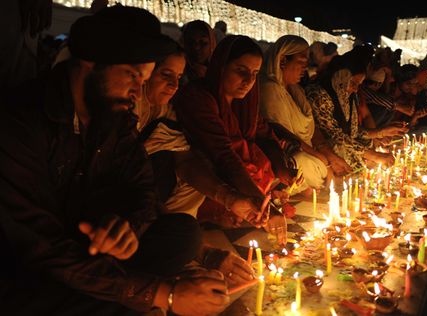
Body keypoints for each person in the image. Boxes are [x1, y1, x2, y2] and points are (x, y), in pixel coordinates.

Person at [0, 6, 229, 315]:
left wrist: (127, 229)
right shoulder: (23, 123)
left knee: (183, 234)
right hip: (35, 264)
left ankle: (114, 291)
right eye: (132, 76)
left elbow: (143, 190)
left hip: (91, 249)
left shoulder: (115, 118)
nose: (138, 91)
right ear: (90, 62)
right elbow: (41, 246)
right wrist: (165, 295)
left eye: (145, 78)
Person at [135, 35, 257, 287]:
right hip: (129, 208)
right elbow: (220, 152)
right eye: (165, 74)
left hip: (155, 194)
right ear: (143, 73)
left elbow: (185, 160)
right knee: (185, 236)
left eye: (179, 78)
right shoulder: (194, 98)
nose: (174, 85)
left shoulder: (163, 110)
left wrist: (229, 198)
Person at [174, 35, 293, 244]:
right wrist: (263, 204)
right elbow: (222, 155)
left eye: (255, 73)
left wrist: (282, 168)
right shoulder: (199, 98)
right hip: (210, 176)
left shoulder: (245, 103)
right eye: (241, 71)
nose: (249, 81)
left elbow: (265, 133)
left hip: (238, 174)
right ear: (221, 67)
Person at [259, 35, 336, 191]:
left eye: (306, 63)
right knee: (303, 162)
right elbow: (284, 138)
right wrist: (321, 158)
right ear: (282, 61)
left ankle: (313, 184)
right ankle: (307, 186)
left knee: (330, 155)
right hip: (286, 157)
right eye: (301, 62)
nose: (305, 68)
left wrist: (323, 154)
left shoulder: (296, 90)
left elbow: (311, 131)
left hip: (307, 152)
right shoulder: (270, 89)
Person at [306, 49, 395, 170]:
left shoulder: (348, 94)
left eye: (359, 84)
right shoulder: (319, 95)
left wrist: (380, 132)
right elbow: (336, 136)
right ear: (342, 76)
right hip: (325, 146)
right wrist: (374, 155)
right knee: (342, 150)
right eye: (353, 83)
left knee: (369, 145)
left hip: (345, 143)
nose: (356, 89)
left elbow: (353, 132)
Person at [181, 20, 216, 84]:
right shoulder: (178, 72)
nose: (196, 47)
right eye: (191, 42)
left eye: (203, 43)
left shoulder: (220, 73)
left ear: (212, 44)